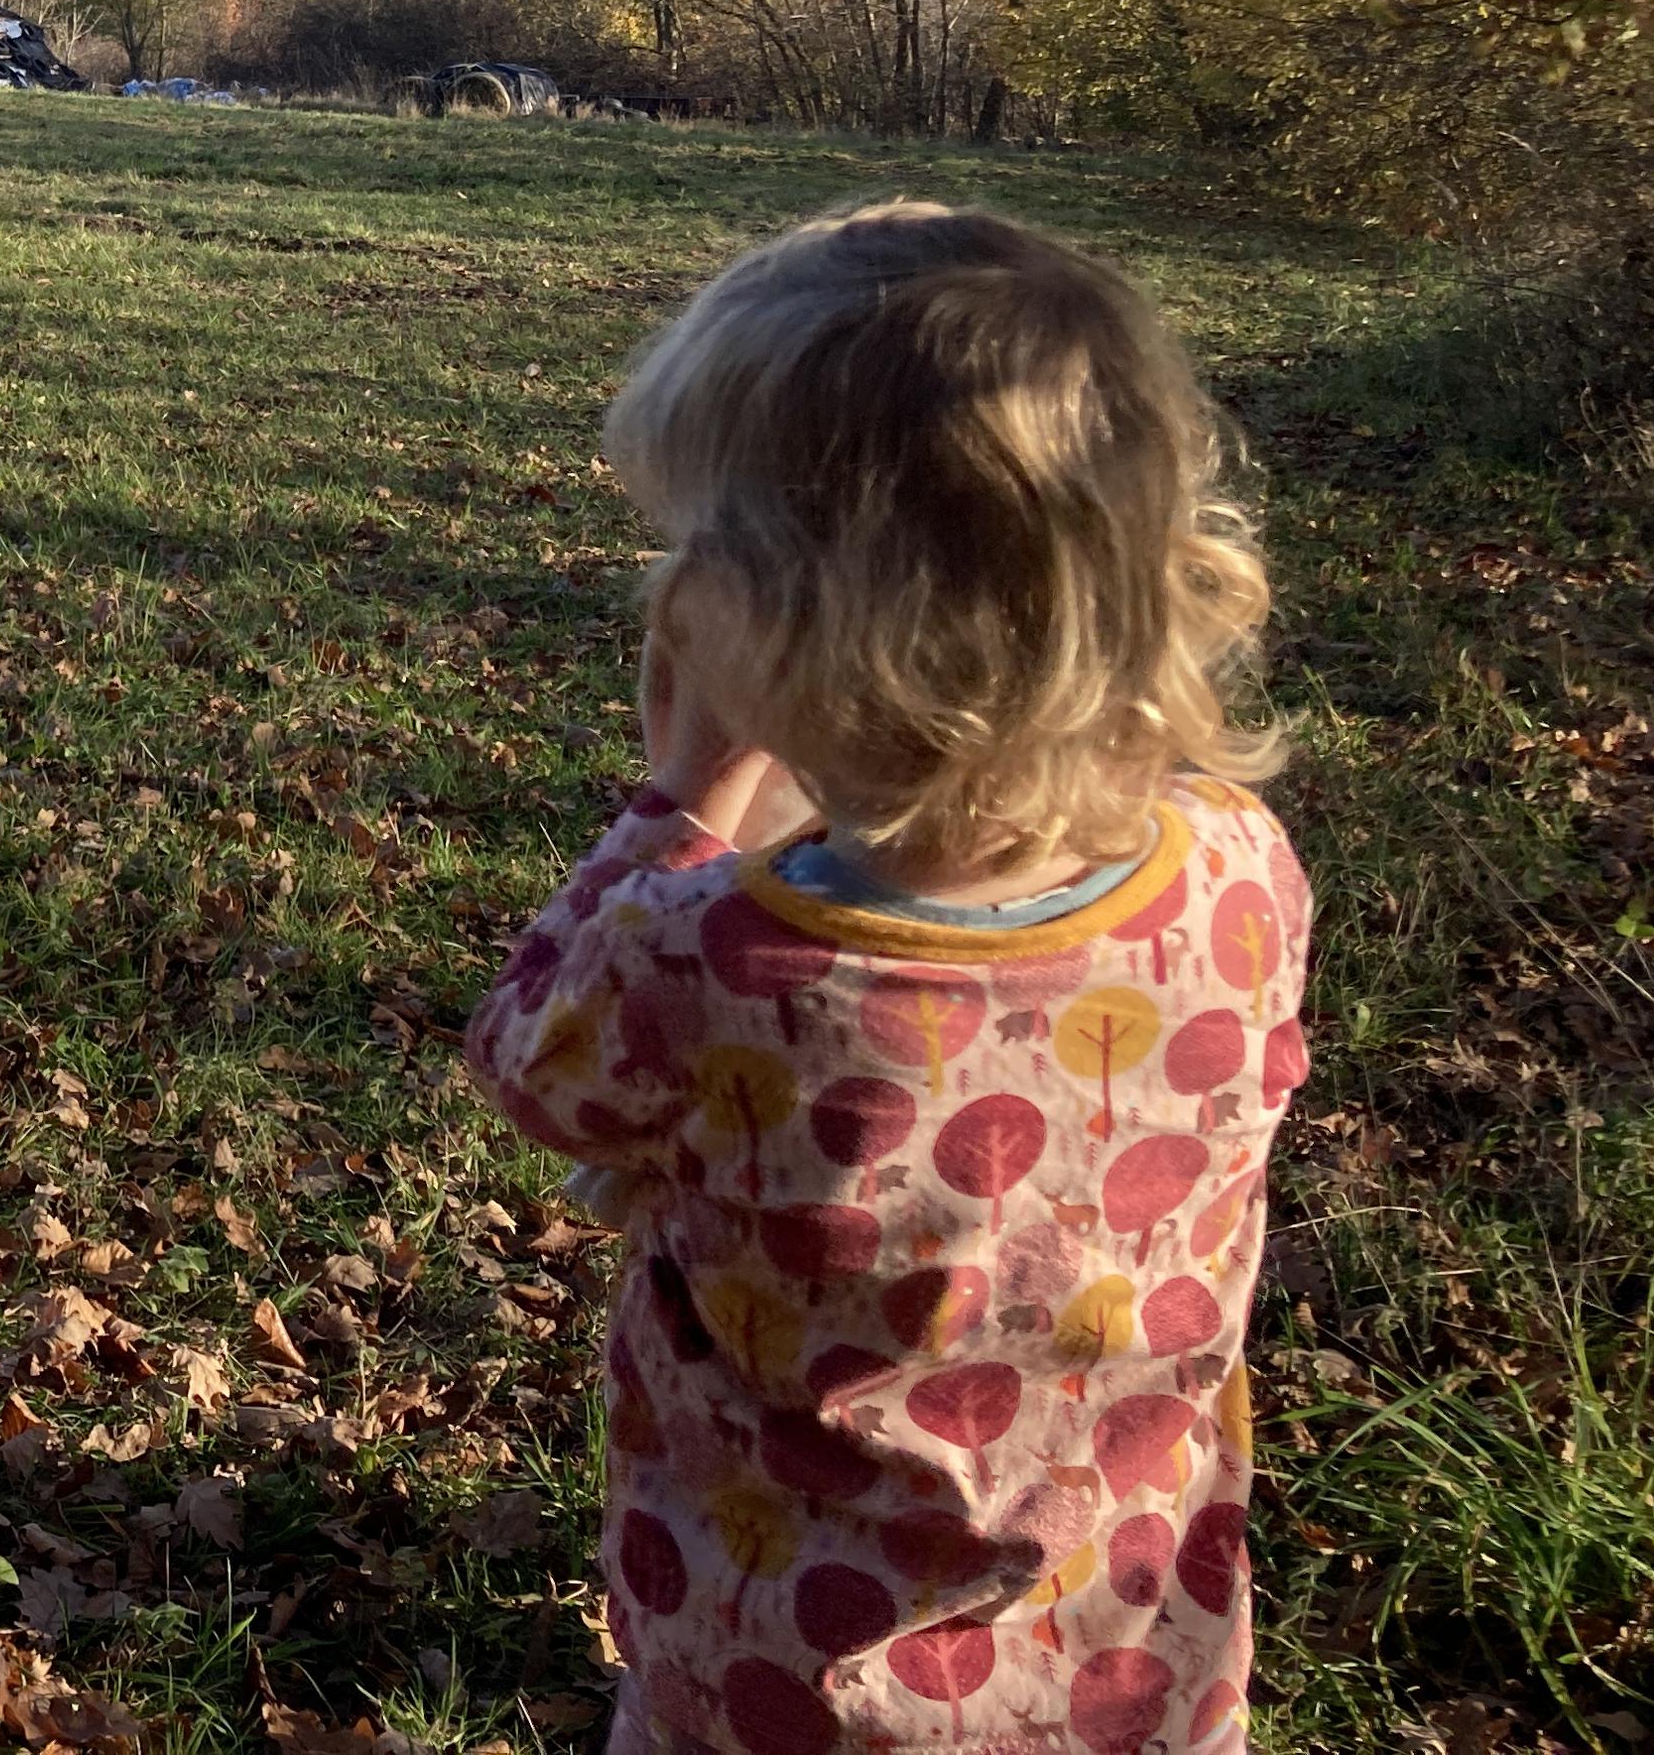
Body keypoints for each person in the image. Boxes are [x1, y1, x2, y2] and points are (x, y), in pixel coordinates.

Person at [464, 203, 1310, 1755]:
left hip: (779, 1670)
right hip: (1135, 1654)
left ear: (775, 635)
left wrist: (681, 803)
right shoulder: (1239, 871)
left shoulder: (722, 952)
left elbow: (533, 1065)